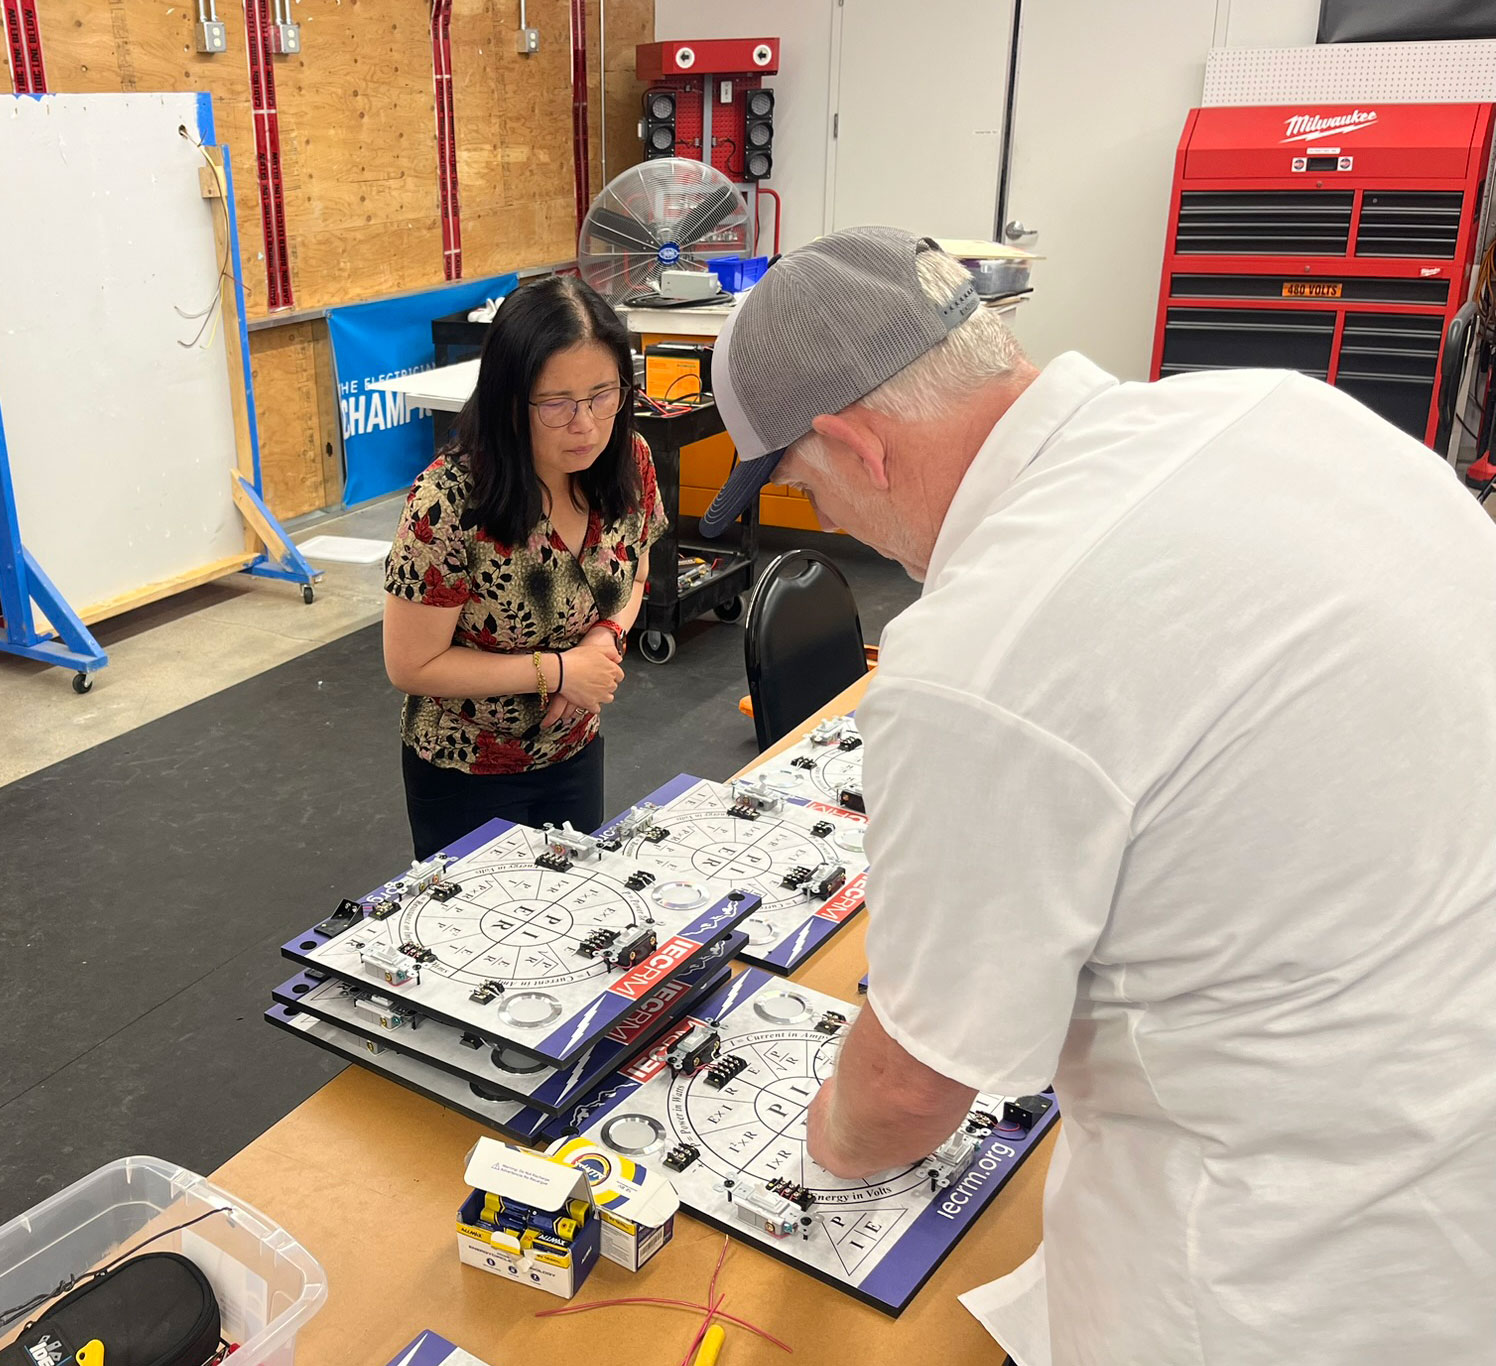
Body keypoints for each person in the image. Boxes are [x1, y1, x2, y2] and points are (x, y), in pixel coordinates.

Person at [702, 226, 1496, 1364]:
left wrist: (813, 1144)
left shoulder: (978, 653)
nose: (824, 519)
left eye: (802, 487)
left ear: (853, 443)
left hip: (1282, 1276)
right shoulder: (1281, 411)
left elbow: (908, 1092)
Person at [383, 275, 667, 858]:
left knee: (578, 916)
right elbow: (412, 663)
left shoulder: (628, 460)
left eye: (602, 395)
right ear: (511, 401)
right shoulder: (449, 502)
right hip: (467, 768)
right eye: (556, 404)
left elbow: (636, 572)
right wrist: (559, 671)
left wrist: (604, 637)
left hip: (575, 749)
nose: (585, 424)